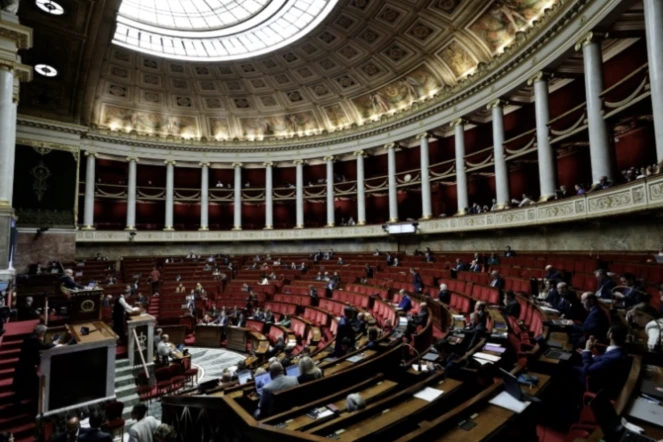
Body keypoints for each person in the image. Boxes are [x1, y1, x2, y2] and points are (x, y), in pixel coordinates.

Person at [13, 324, 58, 409]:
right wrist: (53, 344)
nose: (44, 335)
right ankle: (28, 403)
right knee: (31, 384)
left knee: (24, 385)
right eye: (44, 333)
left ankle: (21, 402)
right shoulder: (34, 340)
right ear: (41, 332)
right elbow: (43, 347)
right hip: (25, 367)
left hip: (24, 365)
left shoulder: (30, 337)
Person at [578, 325, 630, 397]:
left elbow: (587, 370)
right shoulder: (619, 351)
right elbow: (602, 360)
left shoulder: (613, 357)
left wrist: (587, 349)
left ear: (611, 335)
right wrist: (587, 353)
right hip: (602, 378)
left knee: (568, 369)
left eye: (609, 330)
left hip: (595, 385)